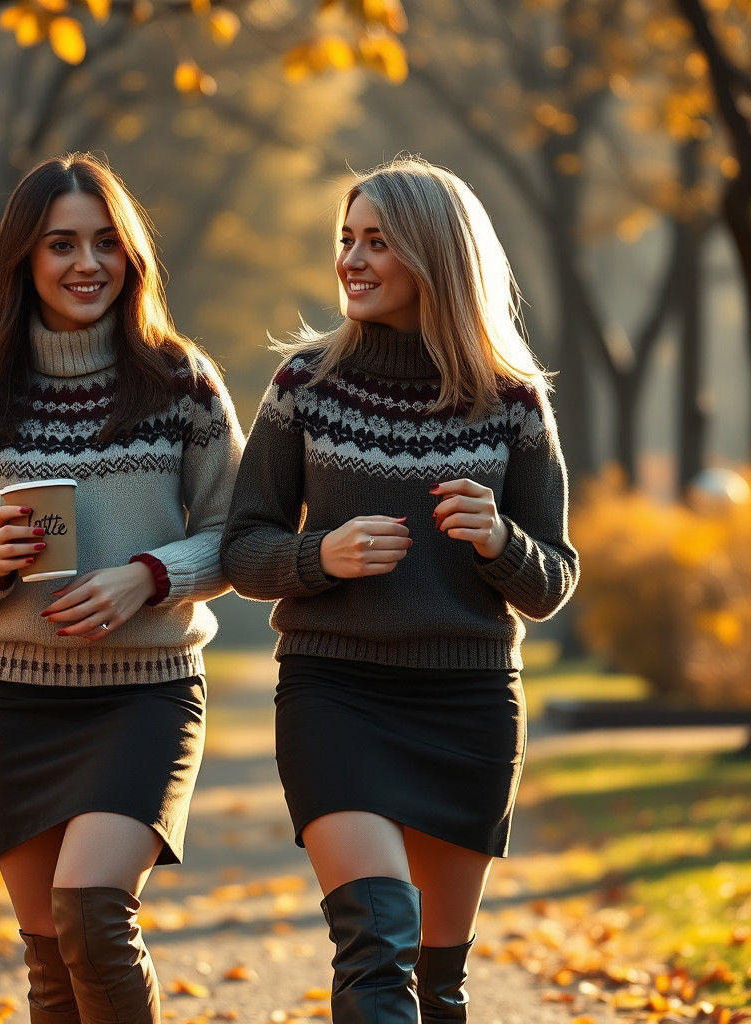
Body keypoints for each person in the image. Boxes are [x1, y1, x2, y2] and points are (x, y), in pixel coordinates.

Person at [220, 156, 579, 1024]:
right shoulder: (303, 384)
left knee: (436, 983)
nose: (352, 259)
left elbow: (554, 580)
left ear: (436, 254)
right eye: (347, 239)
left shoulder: (511, 400)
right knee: (375, 946)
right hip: (334, 692)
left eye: (378, 241)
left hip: (468, 702)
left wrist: (498, 542)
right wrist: (320, 558)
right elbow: (242, 547)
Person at [0, 153, 243, 1024]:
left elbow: (239, 540)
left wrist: (149, 578)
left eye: (106, 242)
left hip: (146, 696)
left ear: (131, 255)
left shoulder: (181, 383)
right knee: (53, 966)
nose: (86, 263)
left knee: (93, 917)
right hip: (11, 704)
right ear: (23, 258)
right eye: (61, 244)